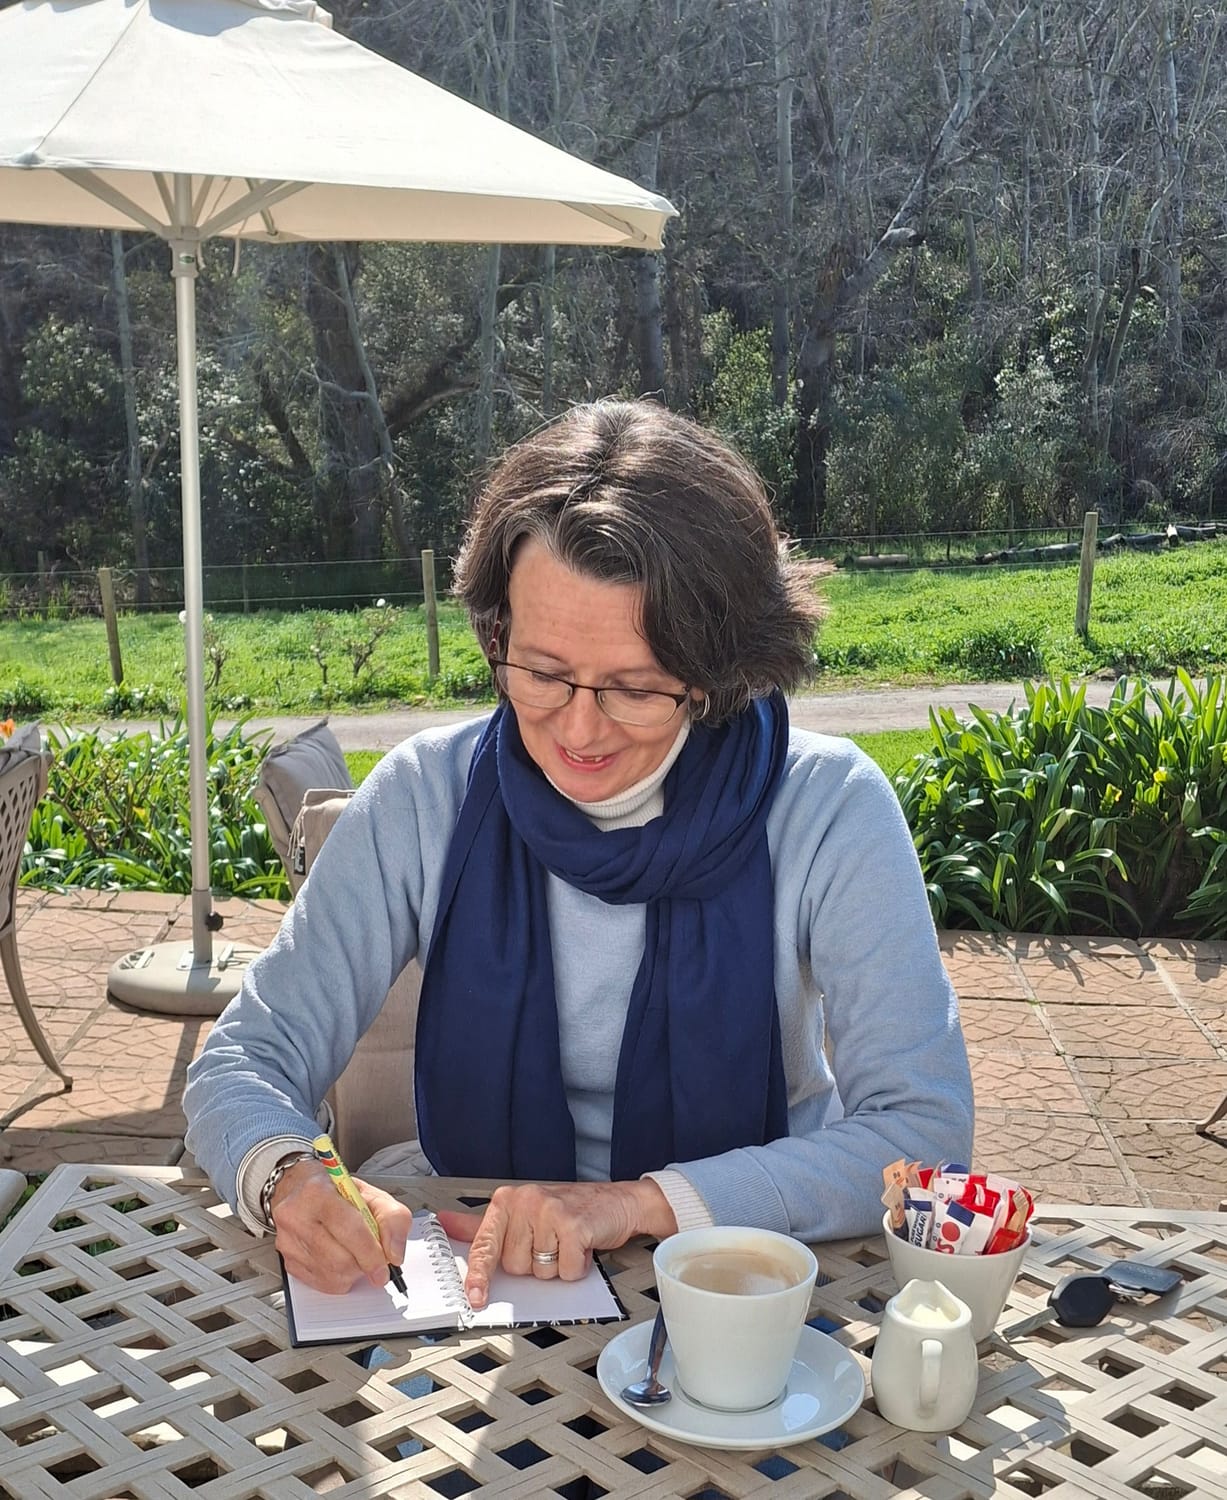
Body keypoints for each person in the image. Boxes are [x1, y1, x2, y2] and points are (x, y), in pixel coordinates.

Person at [183, 399, 973, 1308]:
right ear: (496, 632)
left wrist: (635, 1206)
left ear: (720, 673)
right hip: (473, 1260)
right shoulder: (423, 797)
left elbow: (921, 1135)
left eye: (636, 688)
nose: (580, 731)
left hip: (747, 1261)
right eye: (542, 672)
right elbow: (247, 1053)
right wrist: (286, 1174)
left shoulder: (825, 806)